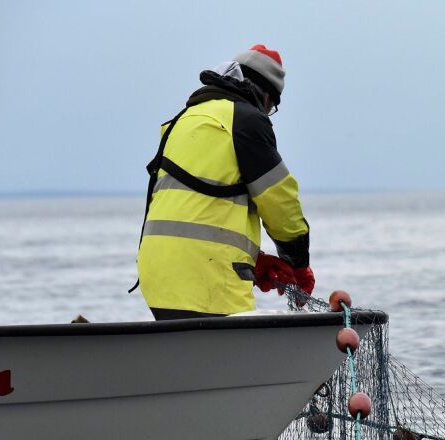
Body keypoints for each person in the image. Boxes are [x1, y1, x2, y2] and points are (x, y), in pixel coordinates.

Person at [133, 44, 314, 320]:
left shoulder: (184, 120)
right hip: (207, 279)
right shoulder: (245, 120)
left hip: (157, 275)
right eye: (272, 105)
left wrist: (254, 259)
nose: (268, 112)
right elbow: (279, 200)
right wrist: (299, 264)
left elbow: (197, 207)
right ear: (264, 95)